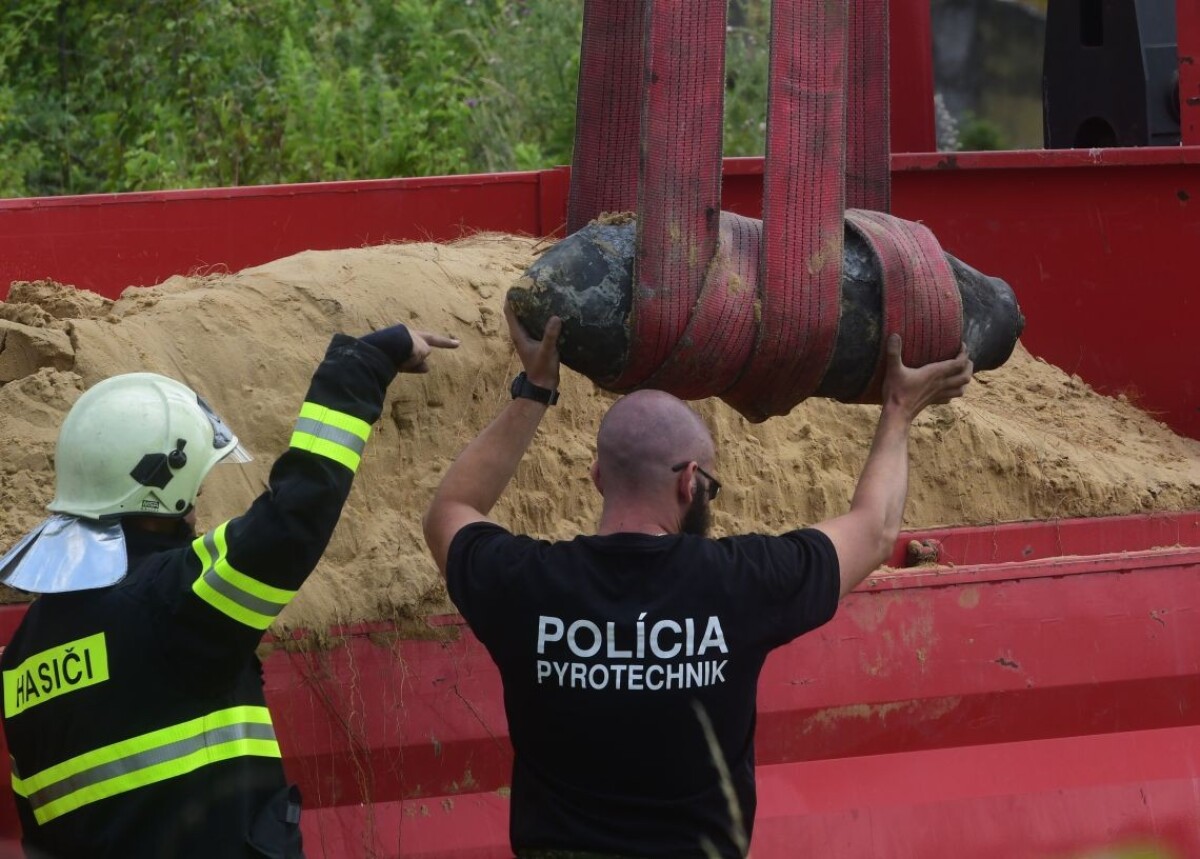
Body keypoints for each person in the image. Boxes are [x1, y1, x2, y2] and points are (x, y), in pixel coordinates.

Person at [423, 305, 973, 858]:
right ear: (691, 482)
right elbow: (875, 529)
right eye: (709, 483)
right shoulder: (741, 583)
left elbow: (451, 508)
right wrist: (899, 408)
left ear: (596, 478)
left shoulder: (525, 585)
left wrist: (535, 388)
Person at [0, 323, 457, 859]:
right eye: (193, 486)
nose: (197, 505)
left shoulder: (26, 653)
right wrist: (361, 366)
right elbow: (291, 521)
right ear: (165, 492)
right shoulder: (170, 603)